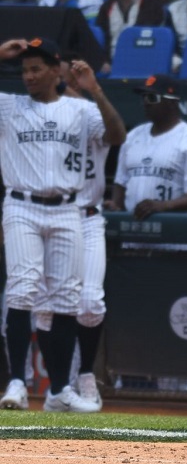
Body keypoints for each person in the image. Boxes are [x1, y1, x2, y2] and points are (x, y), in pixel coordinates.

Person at [0, 39, 124, 414]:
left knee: (67, 300)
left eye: (37, 68)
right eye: (24, 69)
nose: (29, 76)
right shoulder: (9, 105)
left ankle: (58, 391)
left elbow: (116, 135)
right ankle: (18, 383)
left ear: (57, 70)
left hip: (69, 209)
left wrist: (96, 90)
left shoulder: (80, 109)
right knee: (22, 289)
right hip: (22, 204)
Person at [57, 50, 129, 411]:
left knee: (89, 302)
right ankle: (39, 383)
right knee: (40, 306)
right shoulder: (40, 110)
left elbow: (118, 136)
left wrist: (95, 91)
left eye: (74, 71)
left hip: (86, 216)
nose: (70, 75)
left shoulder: (90, 112)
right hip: (48, 213)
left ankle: (85, 375)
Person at [110, 74, 187, 219]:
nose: (146, 102)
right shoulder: (132, 137)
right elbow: (121, 182)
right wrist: (115, 206)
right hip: (133, 233)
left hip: (175, 234)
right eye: (143, 97)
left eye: (152, 98)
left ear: (172, 102)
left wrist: (163, 205)